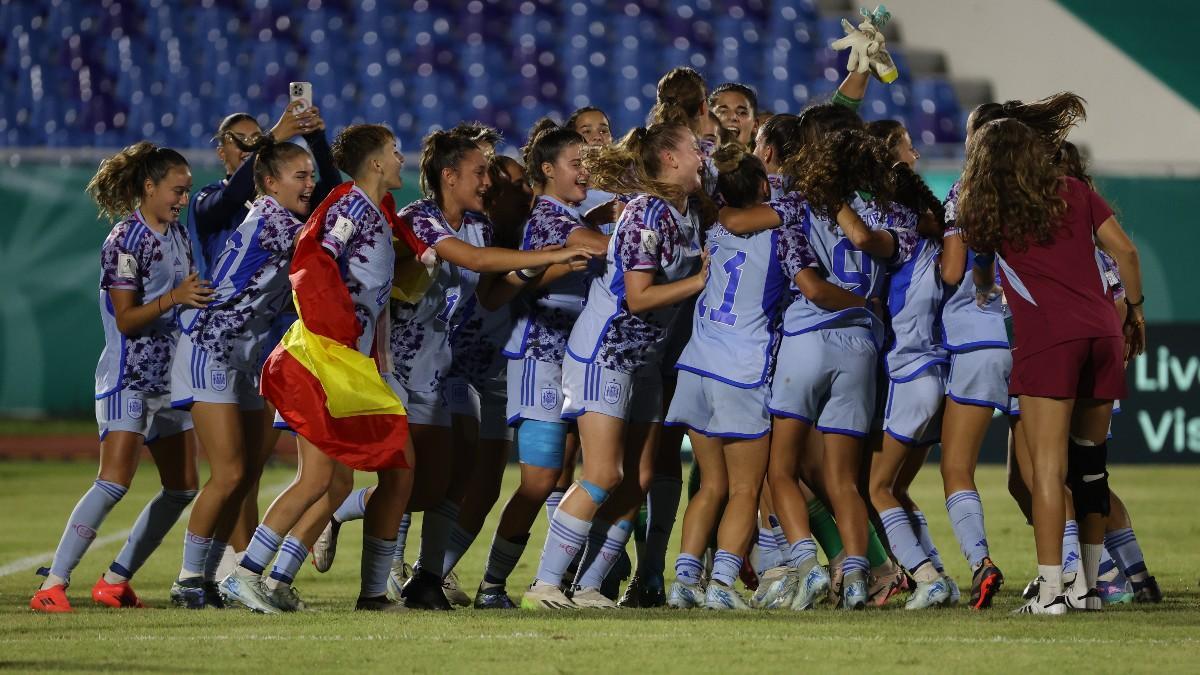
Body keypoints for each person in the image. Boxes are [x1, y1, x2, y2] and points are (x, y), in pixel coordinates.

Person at [391, 129, 599, 610]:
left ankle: (428, 577)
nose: (491, 185)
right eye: (483, 174)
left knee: (463, 478)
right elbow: (479, 264)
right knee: (417, 478)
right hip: (405, 362)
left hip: (455, 366)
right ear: (449, 176)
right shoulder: (418, 218)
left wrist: (541, 267)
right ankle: (356, 540)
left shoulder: (483, 227)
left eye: (496, 176)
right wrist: (553, 257)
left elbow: (492, 287)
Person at [718, 128, 918, 610]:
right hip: (861, 346)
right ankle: (856, 579)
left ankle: (806, 564)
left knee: (780, 470)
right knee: (845, 480)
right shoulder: (895, 217)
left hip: (806, 341)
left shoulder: (800, 204)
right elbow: (880, 246)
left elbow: (737, 222)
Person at [220, 124, 416, 613]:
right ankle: (244, 575)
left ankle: (281, 578)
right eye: (394, 152)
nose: (400, 160)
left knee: (339, 483)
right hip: (321, 358)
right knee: (316, 479)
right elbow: (313, 263)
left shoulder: (372, 210)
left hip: (343, 361)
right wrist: (337, 333)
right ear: (375, 162)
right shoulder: (349, 206)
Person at [959, 110, 1144, 615]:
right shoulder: (1077, 192)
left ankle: (1050, 593)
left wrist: (985, 286)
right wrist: (1136, 309)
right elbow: (1125, 253)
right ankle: (1085, 589)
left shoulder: (988, 207)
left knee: (1045, 470)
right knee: (1088, 470)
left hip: (1048, 339)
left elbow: (974, 274)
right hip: (1104, 332)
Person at [666, 145, 864, 610]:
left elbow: (734, 219)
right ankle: (721, 585)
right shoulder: (785, 232)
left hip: (695, 366)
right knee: (744, 489)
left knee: (710, 484)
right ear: (762, 187)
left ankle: (683, 581)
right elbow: (809, 286)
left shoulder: (712, 225)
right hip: (742, 369)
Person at [522, 122, 708, 609]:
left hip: (643, 358)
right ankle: (544, 585)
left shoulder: (685, 210)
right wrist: (699, 282)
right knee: (603, 473)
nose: (701, 157)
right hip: (605, 354)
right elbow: (638, 296)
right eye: (693, 149)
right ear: (668, 158)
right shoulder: (648, 214)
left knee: (639, 478)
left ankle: (587, 587)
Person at [31, 143, 210, 612]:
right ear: (148, 187)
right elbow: (127, 319)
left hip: (170, 380)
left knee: (183, 487)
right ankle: (52, 584)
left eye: (188, 191)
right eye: (177, 189)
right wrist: (175, 298)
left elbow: (185, 297)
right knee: (114, 482)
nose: (183, 199)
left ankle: (115, 579)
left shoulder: (176, 234)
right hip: (128, 377)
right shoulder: (124, 242)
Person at [167, 137, 317, 610]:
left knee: (246, 473)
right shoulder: (273, 220)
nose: (311, 185)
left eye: (312, 175)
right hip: (209, 348)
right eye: (301, 176)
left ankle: (210, 574)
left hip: (243, 357)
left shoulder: (280, 218)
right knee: (230, 473)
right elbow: (326, 252)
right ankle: (189, 578)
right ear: (270, 183)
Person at [471, 119, 610, 609]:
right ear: (548, 170)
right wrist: (643, 243)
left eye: (589, 165)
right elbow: (597, 246)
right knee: (537, 482)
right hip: (540, 359)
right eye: (577, 165)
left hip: (573, 360)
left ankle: (561, 581)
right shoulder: (552, 215)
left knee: (570, 475)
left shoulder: (576, 210)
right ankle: (491, 585)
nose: (585, 173)